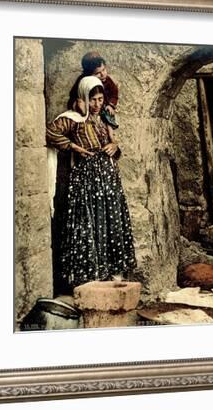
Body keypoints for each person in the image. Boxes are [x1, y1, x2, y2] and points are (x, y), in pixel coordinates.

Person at [46, 76, 136, 287]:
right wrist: (74, 147)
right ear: (82, 99)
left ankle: (113, 272)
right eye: (92, 99)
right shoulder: (72, 119)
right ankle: (91, 277)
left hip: (108, 178)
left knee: (110, 222)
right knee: (90, 223)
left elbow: (113, 143)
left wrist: (114, 146)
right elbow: (50, 133)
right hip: (86, 180)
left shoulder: (104, 117)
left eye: (100, 99)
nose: (97, 104)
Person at [67, 52, 119, 129]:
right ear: (89, 74)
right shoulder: (83, 82)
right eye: (98, 73)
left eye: (104, 70)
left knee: (108, 123)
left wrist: (110, 105)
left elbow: (114, 92)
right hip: (87, 111)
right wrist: (78, 105)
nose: (103, 74)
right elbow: (73, 96)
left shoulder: (107, 80)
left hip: (102, 109)